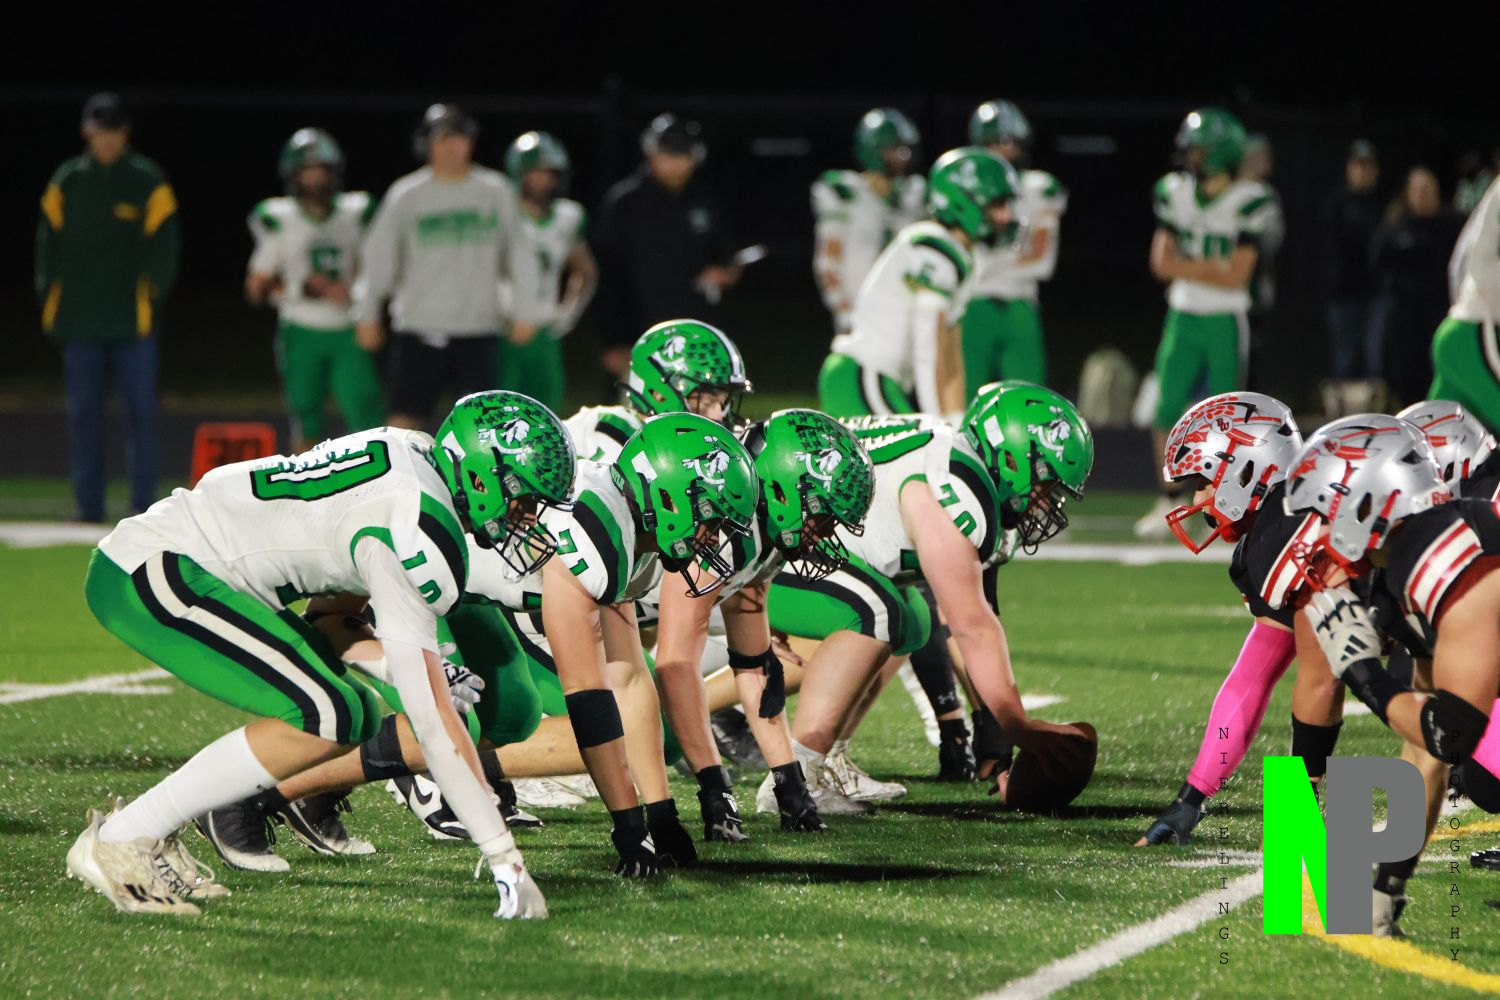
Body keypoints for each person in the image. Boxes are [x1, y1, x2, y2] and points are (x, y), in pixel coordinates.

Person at [65, 390, 563, 918]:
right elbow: (434, 729)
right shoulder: (417, 523)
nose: (527, 517)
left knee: (352, 712)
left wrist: (406, 668)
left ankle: (144, 832)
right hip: (158, 569)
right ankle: (123, 838)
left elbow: (332, 620)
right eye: (524, 499)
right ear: (483, 478)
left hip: (177, 562)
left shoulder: (413, 459)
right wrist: (505, 857)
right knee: (327, 712)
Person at [762, 383, 1095, 813]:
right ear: (1011, 459)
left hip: (808, 554)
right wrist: (1016, 723)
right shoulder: (952, 489)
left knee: (911, 617)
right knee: (876, 612)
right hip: (774, 554)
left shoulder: (960, 470)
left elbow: (977, 619)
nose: (1047, 504)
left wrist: (1002, 724)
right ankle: (792, 777)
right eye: (1046, 485)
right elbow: (971, 625)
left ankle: (828, 761)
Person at [1288, 418, 1500, 934]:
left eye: (1322, 512)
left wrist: (1362, 673)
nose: (1314, 531)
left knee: (1487, 777)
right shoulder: (1407, 562)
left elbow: (1452, 734)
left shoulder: (1447, 563)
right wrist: (1386, 888)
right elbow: (1427, 751)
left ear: (1367, 503)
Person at [35, 92, 180, 523]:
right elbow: (46, 246)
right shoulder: (68, 181)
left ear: (125, 133)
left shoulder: (145, 179)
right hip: (80, 322)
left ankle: (144, 509)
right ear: (87, 132)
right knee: (83, 416)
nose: (108, 140)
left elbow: (166, 246)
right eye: (101, 132)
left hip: (132, 324)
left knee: (141, 415)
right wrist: (50, 300)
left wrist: (150, 297)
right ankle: (88, 506)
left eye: (114, 131)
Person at [1135, 108, 1274, 538]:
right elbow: (1160, 263)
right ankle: (1169, 498)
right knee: (1164, 409)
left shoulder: (1250, 199)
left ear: (1220, 153)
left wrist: (1188, 266)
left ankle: (1221, 506)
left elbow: (1237, 275)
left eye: (1199, 149)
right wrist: (1211, 266)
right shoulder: (1175, 191)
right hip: (1183, 314)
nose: (1191, 156)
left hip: (1225, 319)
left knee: (1226, 419)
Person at [818, 146, 1019, 419]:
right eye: (997, 205)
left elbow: (950, 352)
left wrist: (956, 420)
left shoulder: (965, 257)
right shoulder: (933, 246)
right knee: (925, 444)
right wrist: (937, 423)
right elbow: (929, 347)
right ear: (965, 202)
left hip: (877, 379)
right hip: (863, 375)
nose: (1007, 216)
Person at [353, 104, 519, 430]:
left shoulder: (496, 191)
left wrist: (524, 310)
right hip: (420, 329)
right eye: (442, 138)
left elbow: (519, 253)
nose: (451, 146)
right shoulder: (407, 194)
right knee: (403, 423)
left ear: (471, 142)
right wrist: (367, 313)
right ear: (426, 144)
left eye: (458, 137)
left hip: (479, 330)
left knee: (484, 426)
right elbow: (379, 257)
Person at [247, 128, 383, 452]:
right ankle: (307, 485)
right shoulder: (281, 218)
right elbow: (256, 288)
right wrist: (301, 287)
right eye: (307, 171)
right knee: (306, 420)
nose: (315, 179)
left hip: (347, 328)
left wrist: (360, 294)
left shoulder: (355, 212)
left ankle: (375, 481)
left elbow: (373, 266)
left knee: (368, 419)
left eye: (321, 170)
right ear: (293, 175)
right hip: (301, 330)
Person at [594, 115, 740, 390]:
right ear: (650, 155)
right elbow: (606, 276)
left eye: (682, 156)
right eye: (667, 155)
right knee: (635, 412)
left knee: (698, 411)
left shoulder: (705, 200)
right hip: (638, 334)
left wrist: (726, 271)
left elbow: (725, 255)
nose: (675, 164)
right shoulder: (625, 203)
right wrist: (613, 341)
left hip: (694, 335)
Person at [962, 99, 1067, 392]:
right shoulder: (963, 189)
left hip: (1018, 303)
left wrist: (986, 267)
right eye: (996, 142)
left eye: (1010, 142)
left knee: (1028, 397)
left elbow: (1042, 262)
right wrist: (1011, 259)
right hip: (972, 306)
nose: (1004, 151)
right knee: (962, 398)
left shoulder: (1037, 188)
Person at [497, 131, 598, 413]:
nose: (543, 180)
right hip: (501, 329)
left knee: (546, 414)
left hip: (544, 331)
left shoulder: (567, 217)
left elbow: (585, 271)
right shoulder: (499, 214)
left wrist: (567, 314)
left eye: (549, 173)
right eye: (535, 173)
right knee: (496, 414)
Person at [811, 108, 925, 335]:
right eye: (895, 148)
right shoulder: (845, 194)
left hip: (904, 313)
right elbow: (828, 261)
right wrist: (843, 310)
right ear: (874, 150)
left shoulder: (915, 194)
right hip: (860, 313)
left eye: (906, 149)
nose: (903, 156)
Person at [1370, 167, 1463, 406]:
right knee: (1404, 367)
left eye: (1427, 190)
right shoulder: (1395, 226)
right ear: (1408, 194)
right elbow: (1379, 262)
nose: (1422, 196)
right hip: (1404, 312)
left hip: (1439, 311)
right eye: (1417, 190)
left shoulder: (1451, 226)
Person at [1318, 140, 1386, 416]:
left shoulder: (1383, 205)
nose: (1362, 171)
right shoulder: (1335, 203)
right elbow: (1332, 248)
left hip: (1375, 292)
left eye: (1368, 166)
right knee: (1344, 357)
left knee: (1374, 356)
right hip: (1342, 292)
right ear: (1349, 168)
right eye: (1358, 165)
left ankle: (1375, 421)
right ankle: (1342, 422)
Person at [1429, 175, 1500, 434]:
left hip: (1464, 332)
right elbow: (1474, 261)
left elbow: (1459, 265)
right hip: (1473, 333)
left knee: (1431, 441)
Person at [1237, 134, 1285, 389]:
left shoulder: (1264, 196)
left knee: (1250, 358)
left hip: (1252, 288)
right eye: (1257, 157)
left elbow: (1271, 242)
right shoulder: (1227, 191)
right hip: (1220, 290)